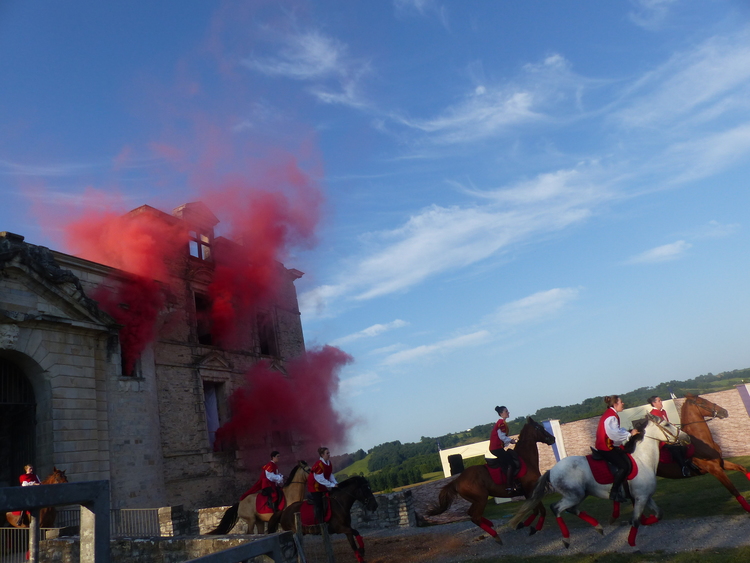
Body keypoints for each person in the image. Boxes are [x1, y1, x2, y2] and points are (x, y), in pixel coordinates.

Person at [594, 395, 640, 503]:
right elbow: (614, 434)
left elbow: (616, 432)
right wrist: (629, 434)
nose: (623, 404)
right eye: (621, 402)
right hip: (605, 447)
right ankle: (614, 492)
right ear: (615, 404)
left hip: (608, 446)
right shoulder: (611, 416)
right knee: (623, 466)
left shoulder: (611, 414)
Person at [648, 395, 695, 477]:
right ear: (654, 403)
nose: (661, 402)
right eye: (659, 401)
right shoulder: (652, 414)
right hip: (662, 439)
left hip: (669, 436)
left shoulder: (663, 411)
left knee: (683, 444)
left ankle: (686, 461)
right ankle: (683, 467)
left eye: (660, 400)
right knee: (674, 448)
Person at [489, 406, 520, 495]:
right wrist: (511, 440)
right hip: (496, 448)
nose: (508, 412)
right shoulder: (501, 423)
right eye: (506, 411)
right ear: (501, 413)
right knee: (511, 464)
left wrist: (510, 441)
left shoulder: (501, 422)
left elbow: (502, 438)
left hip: (497, 447)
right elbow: (502, 437)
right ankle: (509, 486)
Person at [307, 446, 338, 523]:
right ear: (322, 455)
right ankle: (320, 523)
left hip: (322, 486)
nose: (329, 454)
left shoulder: (329, 463)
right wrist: (331, 485)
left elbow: (330, 474)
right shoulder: (319, 464)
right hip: (315, 487)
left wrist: (335, 483)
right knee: (319, 504)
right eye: (327, 453)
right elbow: (320, 479)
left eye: (329, 453)